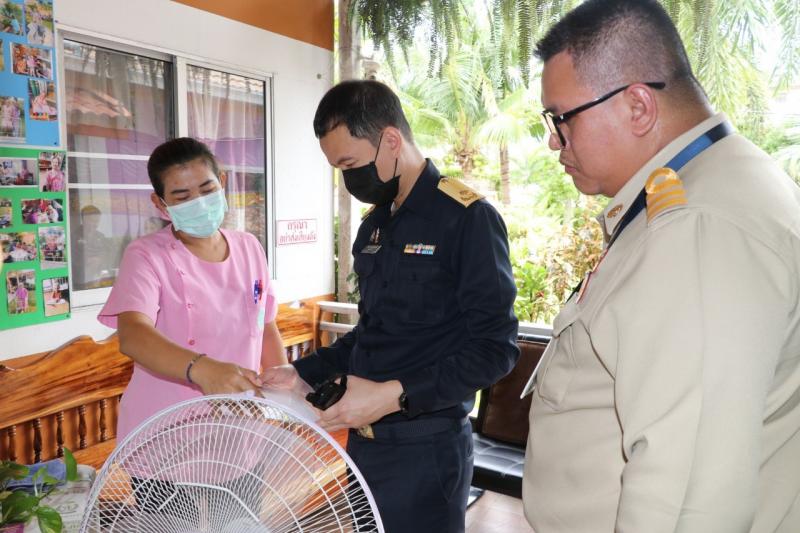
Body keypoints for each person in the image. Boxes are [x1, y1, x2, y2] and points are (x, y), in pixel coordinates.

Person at [521, 1, 800, 532]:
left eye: (561, 118)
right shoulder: (706, 187)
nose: (555, 140)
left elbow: (687, 495)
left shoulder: (699, 226)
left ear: (637, 106)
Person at [262, 80, 519, 532]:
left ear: (391, 141)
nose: (347, 180)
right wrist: (302, 373)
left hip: (427, 451)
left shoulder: (466, 219)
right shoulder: (375, 227)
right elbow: (373, 332)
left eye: (350, 164)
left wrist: (396, 394)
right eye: (337, 168)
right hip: (365, 448)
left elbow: (495, 349)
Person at [97, 137, 287, 445]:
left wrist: (283, 388)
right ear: (160, 203)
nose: (198, 202)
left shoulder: (249, 247)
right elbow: (133, 334)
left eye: (207, 190)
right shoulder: (146, 255)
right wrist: (203, 370)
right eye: (182, 196)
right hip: (165, 431)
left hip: (240, 425)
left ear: (222, 181)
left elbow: (264, 326)